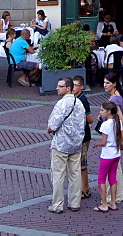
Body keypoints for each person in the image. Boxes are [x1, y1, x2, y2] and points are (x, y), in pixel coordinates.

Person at [47, 76, 85, 214]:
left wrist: (50, 129)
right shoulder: (79, 103)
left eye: (60, 86)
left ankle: (57, 204)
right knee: (75, 174)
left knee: (58, 174)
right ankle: (75, 202)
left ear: (68, 88)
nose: (57, 88)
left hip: (61, 144)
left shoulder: (62, 104)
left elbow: (52, 125)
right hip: (76, 144)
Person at [93, 100, 123, 212]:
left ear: (108, 112)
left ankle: (104, 204)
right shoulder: (118, 122)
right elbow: (122, 138)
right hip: (116, 154)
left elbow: (104, 142)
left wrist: (96, 144)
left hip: (107, 155)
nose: (100, 112)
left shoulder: (105, 124)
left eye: (102, 110)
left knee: (101, 178)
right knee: (113, 178)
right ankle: (113, 202)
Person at [99, 73, 123, 203]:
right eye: (104, 83)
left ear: (114, 84)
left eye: (108, 83)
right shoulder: (117, 98)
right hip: (115, 134)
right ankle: (117, 195)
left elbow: (120, 118)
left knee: (113, 168)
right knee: (116, 166)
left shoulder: (114, 100)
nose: (105, 85)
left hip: (112, 135)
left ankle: (113, 196)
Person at [72, 76, 94, 202]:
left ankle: (85, 189)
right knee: (79, 163)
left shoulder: (82, 100)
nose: (73, 88)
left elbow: (90, 119)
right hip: (78, 136)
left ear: (81, 87)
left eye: (76, 85)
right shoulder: (74, 98)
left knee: (82, 163)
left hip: (83, 136)